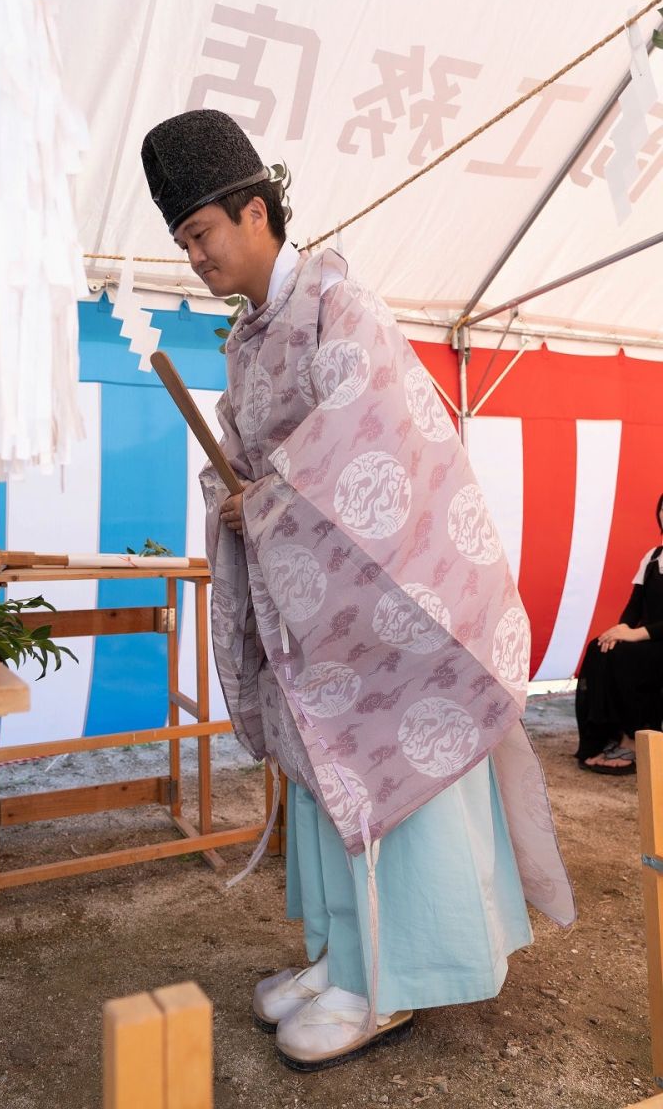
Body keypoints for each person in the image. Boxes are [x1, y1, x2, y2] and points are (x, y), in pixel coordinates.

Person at [141, 109, 574, 1071]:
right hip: (323, 609)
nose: (195, 257)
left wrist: (273, 501)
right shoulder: (249, 340)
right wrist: (241, 497)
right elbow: (252, 467)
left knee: (390, 779)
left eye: (201, 234)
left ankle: (393, 980)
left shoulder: (344, 308)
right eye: (182, 243)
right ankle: (344, 952)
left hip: (401, 607)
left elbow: (374, 442)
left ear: (255, 212)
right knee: (326, 775)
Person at [575, 495, 663, 775]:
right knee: (599, 648)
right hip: (646, 639)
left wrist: (635, 635)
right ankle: (604, 738)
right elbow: (634, 606)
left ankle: (634, 740)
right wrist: (619, 631)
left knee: (628, 657)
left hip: (653, 640)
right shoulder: (653, 556)